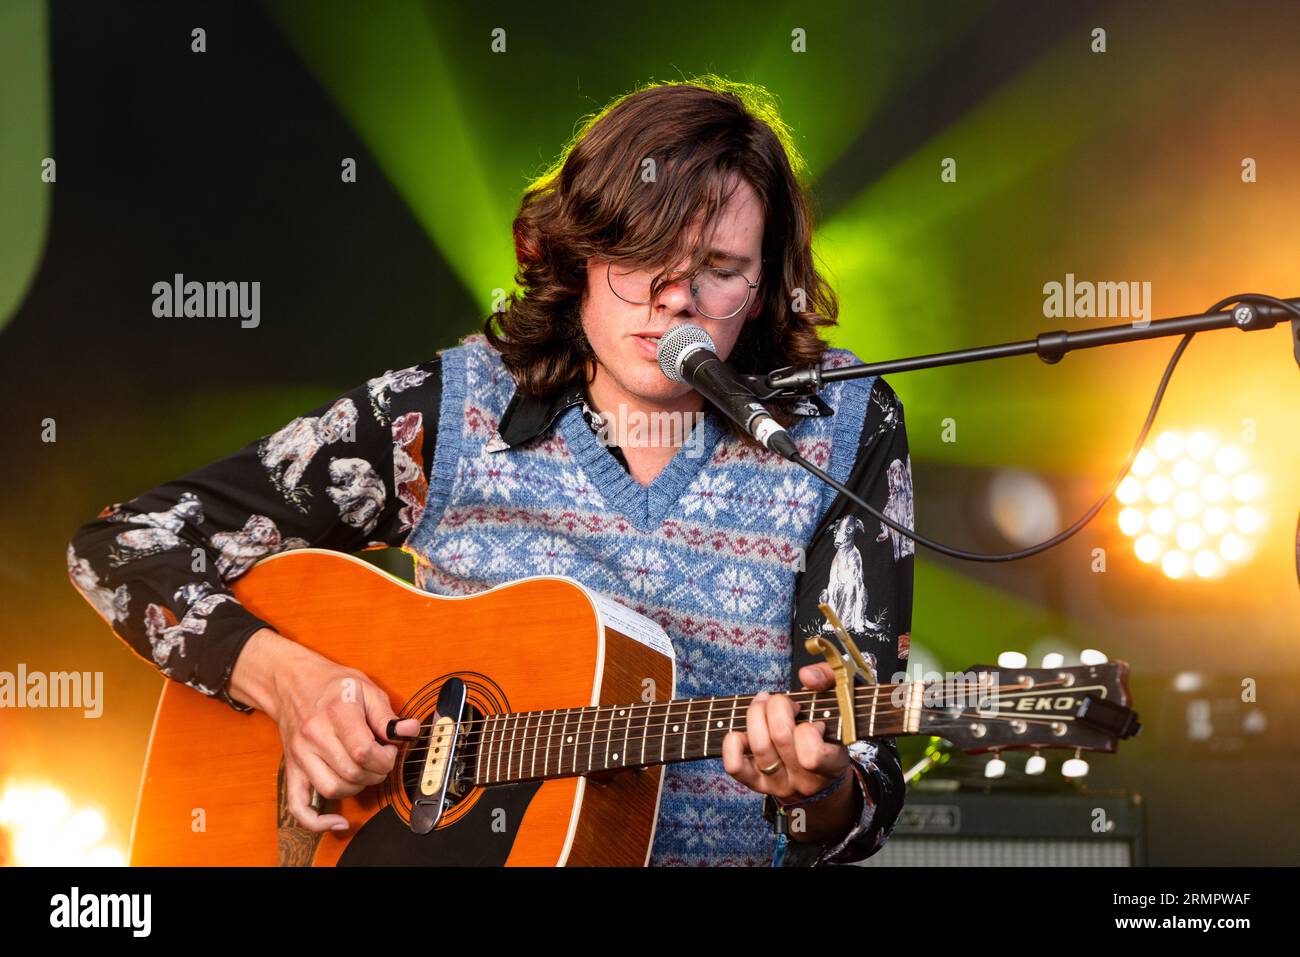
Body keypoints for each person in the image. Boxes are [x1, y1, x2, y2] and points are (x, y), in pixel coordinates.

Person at [68, 76, 914, 866]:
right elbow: (122, 543)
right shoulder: (445, 414)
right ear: (580, 257)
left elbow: (862, 782)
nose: (676, 298)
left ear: (764, 287)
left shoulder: (841, 429)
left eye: (720, 270)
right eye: (640, 254)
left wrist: (826, 790)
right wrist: (291, 682)